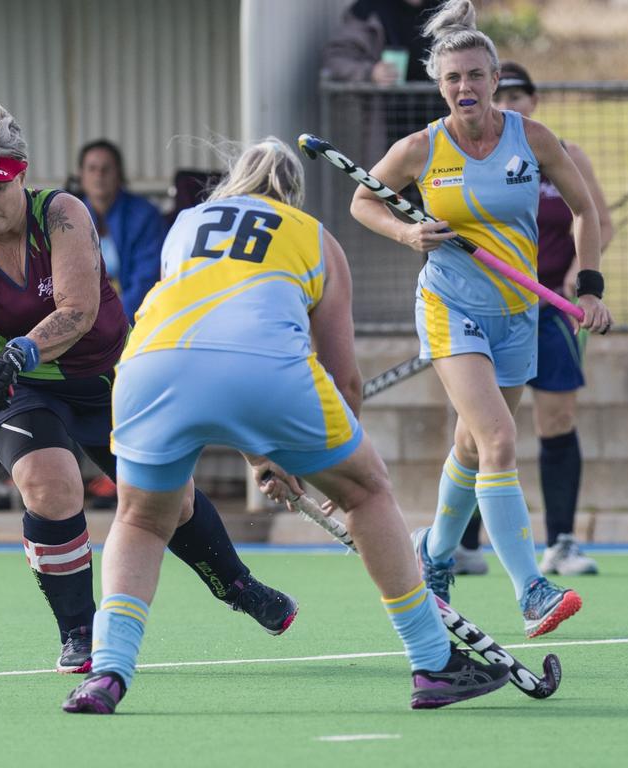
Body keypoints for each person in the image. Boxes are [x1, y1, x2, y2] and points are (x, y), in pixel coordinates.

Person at [62, 137, 512, 715]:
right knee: (367, 491)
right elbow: (340, 379)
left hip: (149, 364)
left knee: (142, 519)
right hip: (267, 372)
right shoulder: (313, 236)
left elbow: (206, 335)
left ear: (232, 183)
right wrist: (315, 465)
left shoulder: (186, 225)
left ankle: (107, 675)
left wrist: (266, 454)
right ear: (292, 194)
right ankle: (433, 662)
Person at [0, 99, 298, 675]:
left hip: (106, 378)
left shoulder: (63, 215)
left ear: (21, 173)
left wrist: (16, 351)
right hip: (20, 390)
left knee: (171, 501)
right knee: (49, 485)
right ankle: (80, 633)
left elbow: (77, 311)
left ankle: (237, 585)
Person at [348, 1, 613, 640]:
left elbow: (583, 211)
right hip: (450, 306)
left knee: (471, 447)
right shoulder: (420, 149)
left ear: (494, 80)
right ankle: (531, 590)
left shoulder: (534, 139)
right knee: (496, 440)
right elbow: (362, 202)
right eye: (451, 79)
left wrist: (593, 286)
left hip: (518, 313)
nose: (463, 87)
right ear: (438, 86)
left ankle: (434, 558)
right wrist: (408, 233)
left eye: (474, 75)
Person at [457, 62, 614, 577]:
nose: (518, 103)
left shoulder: (559, 152)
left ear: (534, 102)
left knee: (557, 420)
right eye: (512, 94)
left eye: (527, 95)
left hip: (552, 311)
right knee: (481, 426)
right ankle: (465, 544)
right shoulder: (476, 155)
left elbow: (595, 221)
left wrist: (576, 278)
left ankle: (562, 542)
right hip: (486, 309)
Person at [322, 0, 448, 161]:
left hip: (442, 124)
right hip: (388, 128)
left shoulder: (448, 8)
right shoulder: (367, 10)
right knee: (390, 183)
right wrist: (371, 72)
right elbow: (335, 58)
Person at [75, 139, 166, 321]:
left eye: (106, 169)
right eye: (92, 168)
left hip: (131, 320)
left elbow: (145, 281)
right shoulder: (68, 216)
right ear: (81, 176)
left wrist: (111, 323)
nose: (99, 175)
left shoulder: (145, 216)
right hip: (83, 322)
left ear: (119, 174)